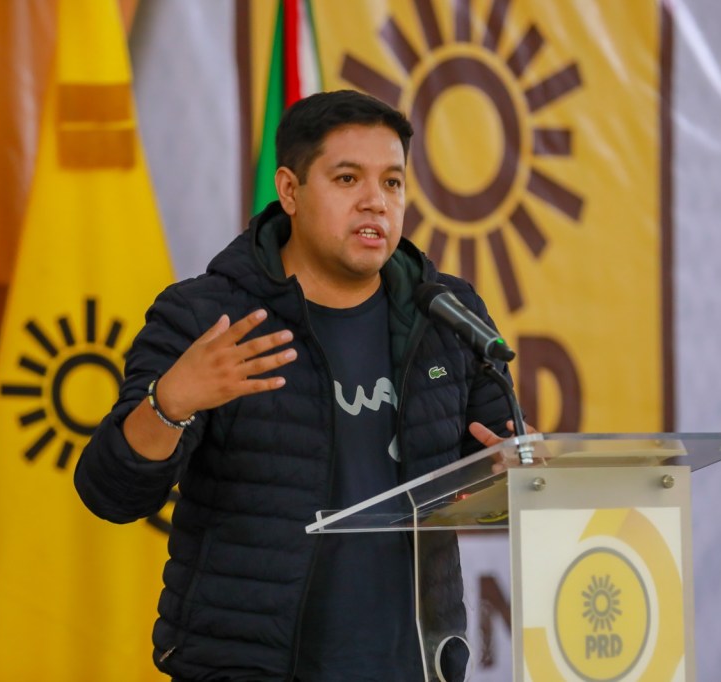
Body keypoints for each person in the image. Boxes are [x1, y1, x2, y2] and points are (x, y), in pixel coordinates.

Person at [75, 89, 517, 682]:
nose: (375, 202)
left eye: (392, 182)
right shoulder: (206, 316)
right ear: (289, 190)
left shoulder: (446, 314)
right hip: (248, 666)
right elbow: (111, 494)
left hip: (412, 663)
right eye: (347, 179)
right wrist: (171, 401)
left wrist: (513, 474)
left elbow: (491, 471)